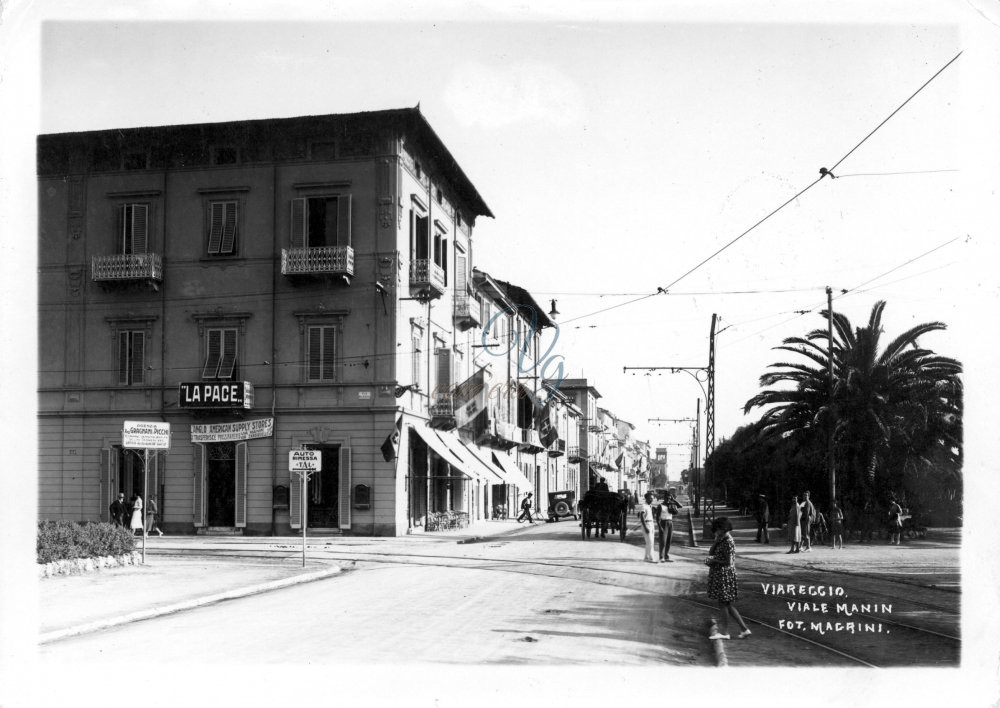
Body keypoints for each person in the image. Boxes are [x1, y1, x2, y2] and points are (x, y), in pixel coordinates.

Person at [705, 516, 752, 640]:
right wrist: (716, 542)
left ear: (722, 528)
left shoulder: (728, 541)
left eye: (717, 530)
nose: (716, 532)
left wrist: (714, 561)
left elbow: (728, 561)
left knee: (723, 604)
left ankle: (725, 632)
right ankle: (744, 629)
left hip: (724, 574)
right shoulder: (722, 539)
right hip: (721, 573)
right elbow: (711, 552)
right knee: (728, 605)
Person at [658, 489, 682, 562]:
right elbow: (657, 518)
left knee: (669, 540)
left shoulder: (671, 504)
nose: (668, 499)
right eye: (667, 498)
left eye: (669, 498)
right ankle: (661, 557)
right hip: (663, 522)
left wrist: (673, 499)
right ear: (664, 498)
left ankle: (666, 556)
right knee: (663, 541)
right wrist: (660, 527)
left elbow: (680, 506)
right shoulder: (660, 506)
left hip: (670, 523)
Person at [638, 492, 656, 562]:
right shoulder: (644, 506)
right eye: (650, 498)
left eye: (652, 498)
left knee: (651, 542)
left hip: (651, 523)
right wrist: (645, 527)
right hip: (646, 524)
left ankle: (646, 557)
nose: (652, 500)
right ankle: (651, 558)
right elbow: (642, 517)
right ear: (646, 499)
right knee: (650, 542)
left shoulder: (650, 506)